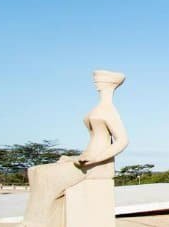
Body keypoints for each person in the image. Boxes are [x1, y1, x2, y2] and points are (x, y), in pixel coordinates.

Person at [22, 70, 127, 227]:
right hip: (86, 159)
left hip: (97, 164)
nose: (96, 82)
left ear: (110, 84)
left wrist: (96, 159)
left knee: (45, 176)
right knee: (35, 171)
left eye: (99, 80)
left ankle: (36, 222)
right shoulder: (99, 108)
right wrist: (74, 158)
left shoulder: (109, 110)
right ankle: (47, 220)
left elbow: (123, 141)